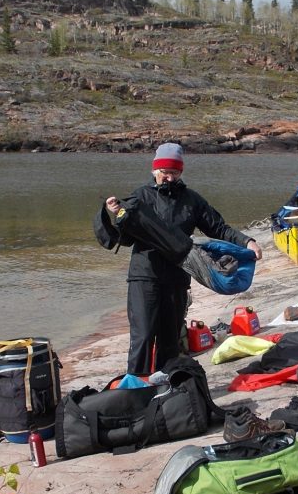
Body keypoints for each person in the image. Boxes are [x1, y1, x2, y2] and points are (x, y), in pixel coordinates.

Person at [106, 143, 262, 375]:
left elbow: (217, 227)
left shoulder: (192, 200)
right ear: (154, 171)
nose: (169, 178)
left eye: (174, 173)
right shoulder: (141, 196)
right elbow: (126, 238)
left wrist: (247, 242)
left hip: (177, 277)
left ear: (181, 173)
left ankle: (167, 384)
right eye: (164, 173)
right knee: (144, 334)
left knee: (170, 337)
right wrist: (117, 216)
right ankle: (136, 388)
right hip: (144, 276)